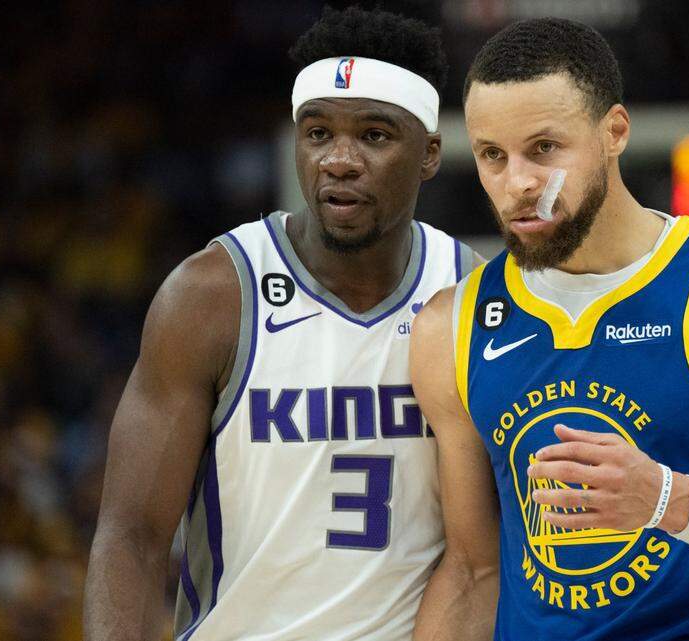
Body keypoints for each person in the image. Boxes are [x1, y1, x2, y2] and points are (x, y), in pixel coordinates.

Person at [411, 17, 689, 641]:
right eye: (494, 155)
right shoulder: (452, 325)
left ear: (614, 133)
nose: (517, 183)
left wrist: (667, 499)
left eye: (544, 149)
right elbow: (470, 571)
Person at [84, 8, 480, 641]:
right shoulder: (212, 296)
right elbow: (130, 538)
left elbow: (486, 558)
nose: (339, 160)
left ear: (430, 153)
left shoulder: (469, 294)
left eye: (375, 136)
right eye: (318, 133)